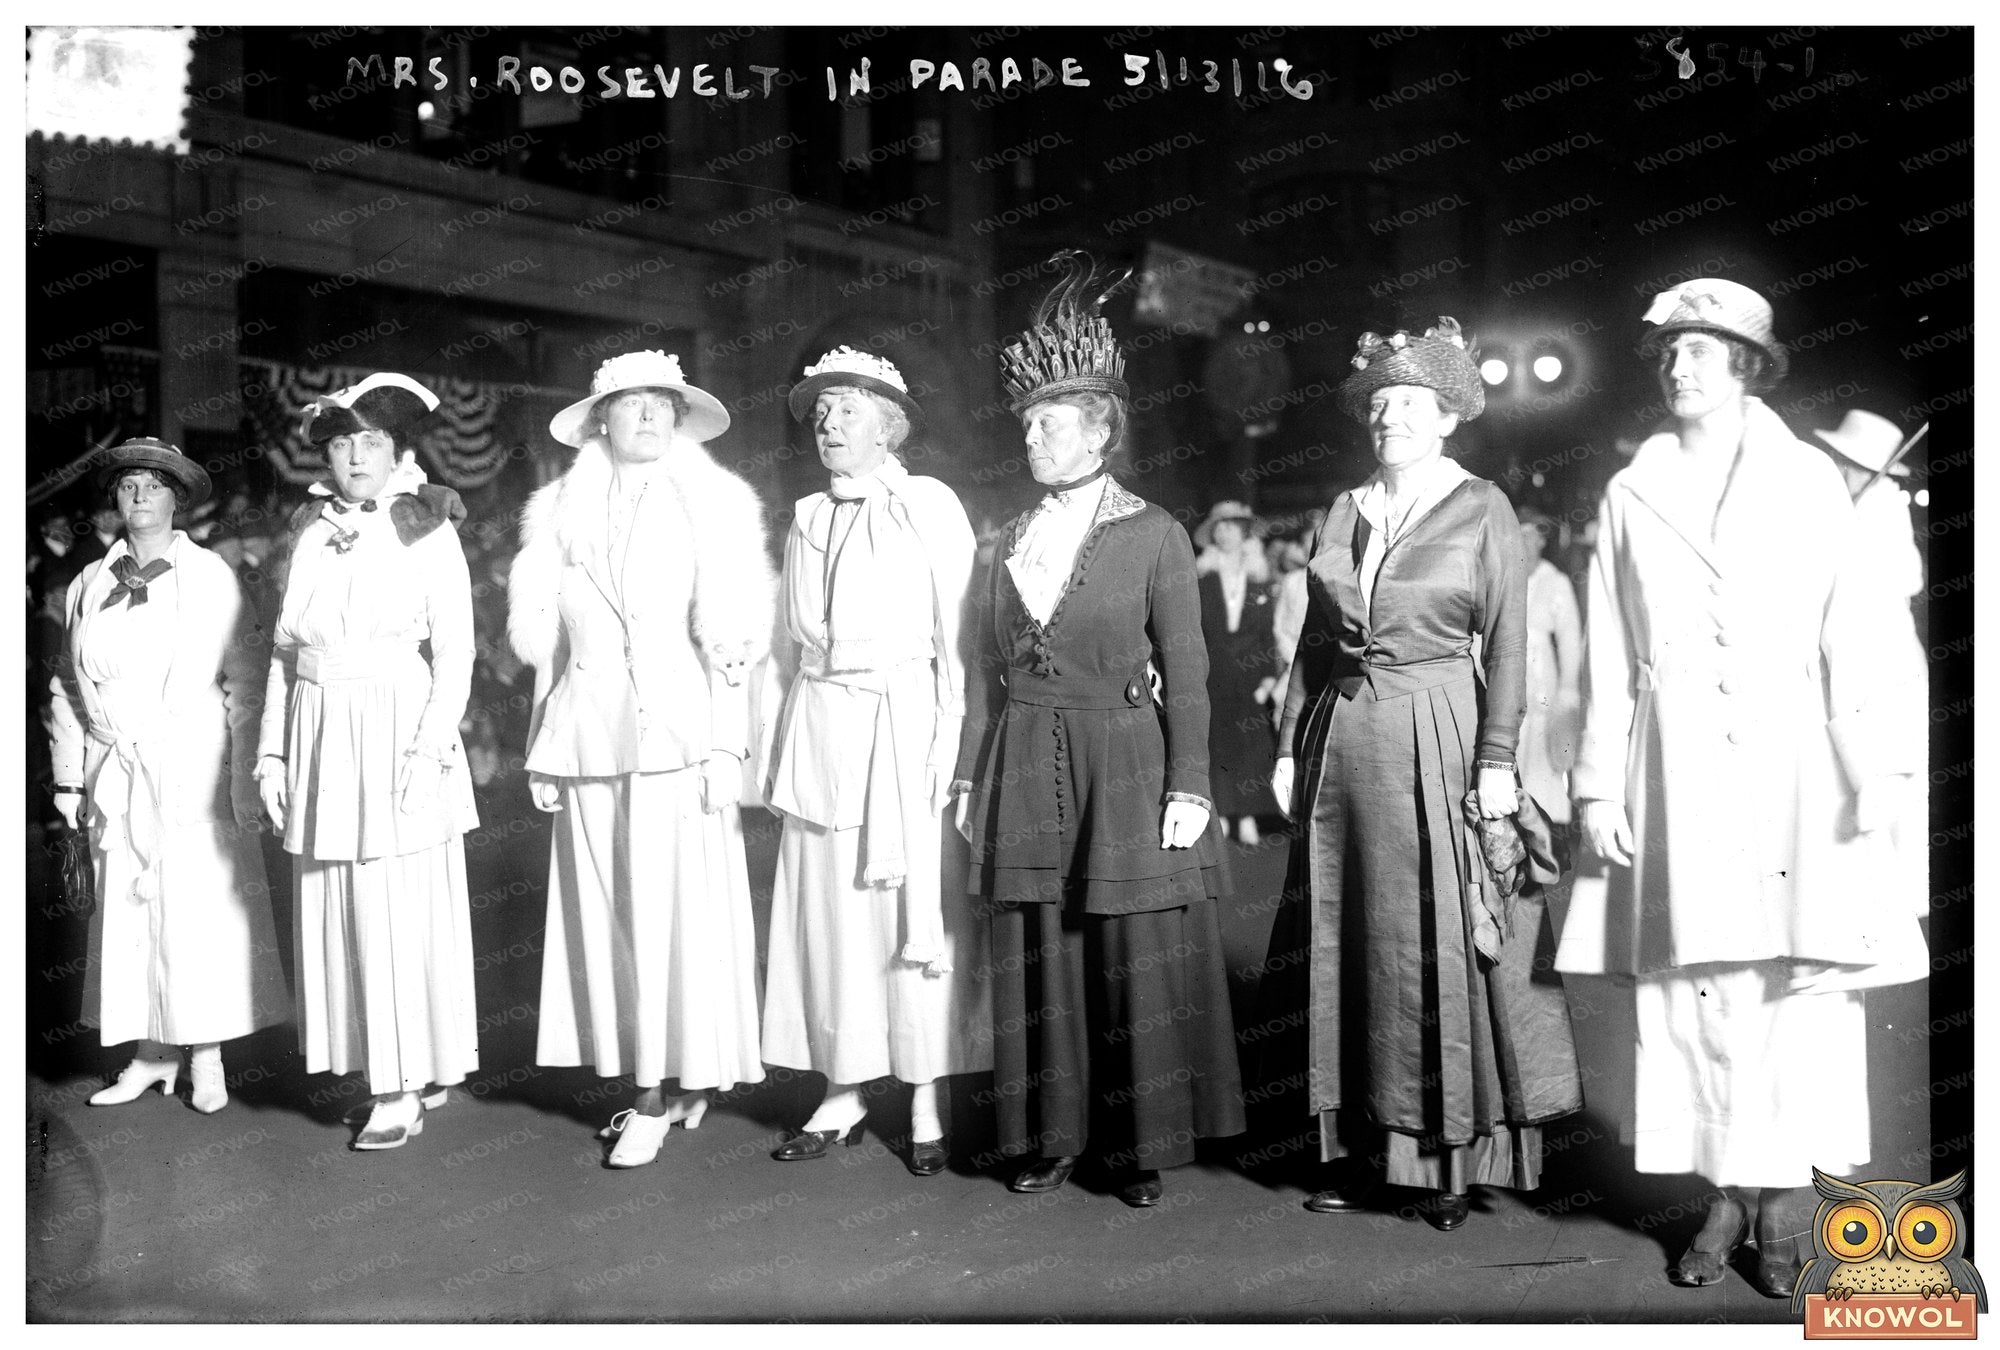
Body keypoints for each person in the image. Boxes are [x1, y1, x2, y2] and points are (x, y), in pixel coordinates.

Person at [1556, 281, 1925, 1294]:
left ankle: (1780, 1205)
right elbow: (1607, 649)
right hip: (1671, 769)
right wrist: (1598, 787)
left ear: (1747, 368)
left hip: (1792, 766)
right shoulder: (1630, 492)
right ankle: (1721, 1192)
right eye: (1669, 352)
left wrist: (1871, 770)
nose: (1678, 369)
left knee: (1789, 993)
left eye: (1701, 352)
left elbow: (1853, 629)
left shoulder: (1806, 480)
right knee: (1693, 993)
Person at [1259, 318, 1582, 1231]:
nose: (1390, 416)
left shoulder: (1482, 506)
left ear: (1447, 417)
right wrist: (1286, 746)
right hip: (1343, 745)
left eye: (1410, 403)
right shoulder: (1344, 509)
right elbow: (1316, 643)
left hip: (1441, 732)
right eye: (1379, 402)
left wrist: (1497, 761)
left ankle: (1446, 1160)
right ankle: (1368, 1150)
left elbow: (1508, 644)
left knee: (1439, 940)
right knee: (1350, 940)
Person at [951, 252, 1245, 1208]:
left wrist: (1189, 782)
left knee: (1129, 953)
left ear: (1099, 433)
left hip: (1124, 759)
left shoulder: (1156, 533)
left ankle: (1137, 1145)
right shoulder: (1009, 537)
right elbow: (983, 671)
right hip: (1023, 759)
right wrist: (970, 778)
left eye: (1050, 422)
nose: (1032, 435)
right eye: (1027, 422)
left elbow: (1188, 670)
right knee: (1042, 947)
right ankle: (1051, 1136)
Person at [508, 350, 773, 1167]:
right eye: (631, 404)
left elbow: (733, 638)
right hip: (587, 734)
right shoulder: (558, 509)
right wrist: (542, 749)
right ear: (601, 420)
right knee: (611, 914)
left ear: (680, 417)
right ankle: (661, 1076)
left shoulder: (714, 503)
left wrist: (727, 745)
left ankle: (656, 1095)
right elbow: (549, 645)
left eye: (663, 403)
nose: (650, 416)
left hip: (679, 736)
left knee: (676, 913)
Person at [761, 346, 991, 1173]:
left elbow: (959, 638)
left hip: (903, 728)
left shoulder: (927, 505)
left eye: (848, 410)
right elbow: (786, 648)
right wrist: (777, 749)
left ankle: (926, 1095)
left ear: (890, 427)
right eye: (822, 413)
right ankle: (844, 1085)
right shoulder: (806, 518)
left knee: (906, 915)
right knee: (831, 910)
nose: (829, 425)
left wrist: (953, 746)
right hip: (821, 727)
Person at [258, 374, 481, 1151]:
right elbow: (284, 653)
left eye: (372, 443)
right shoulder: (308, 528)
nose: (356, 457)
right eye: (344, 444)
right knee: (339, 898)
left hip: (395, 720)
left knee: (395, 901)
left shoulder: (425, 526)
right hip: (320, 725)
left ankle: (400, 1085)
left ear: (397, 452)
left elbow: (456, 652)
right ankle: (384, 1063)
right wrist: (271, 754)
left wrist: (428, 748)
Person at [50, 437, 288, 1112]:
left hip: (191, 764)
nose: (141, 496)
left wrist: (243, 776)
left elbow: (247, 680)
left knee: (194, 910)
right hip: (116, 767)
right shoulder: (89, 583)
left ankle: (206, 1055)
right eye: (129, 485)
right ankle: (152, 1054)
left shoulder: (210, 576)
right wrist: (69, 779)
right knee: (130, 910)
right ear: (115, 499)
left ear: (177, 499)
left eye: (155, 485)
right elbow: (66, 685)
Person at [1812, 410, 1928, 917]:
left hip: (1884, 661)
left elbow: (1901, 579)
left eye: (1846, 462)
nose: (1838, 468)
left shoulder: (1880, 507)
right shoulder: (1849, 504)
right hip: (1868, 660)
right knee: (1864, 783)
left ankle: (1892, 910)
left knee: (1885, 782)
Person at [1193, 501, 1279, 845]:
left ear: (1244, 533)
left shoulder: (1258, 575)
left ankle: (1247, 817)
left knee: (1251, 746)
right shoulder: (1202, 576)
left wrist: (1269, 676)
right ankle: (1222, 816)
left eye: (1231, 526)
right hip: (1213, 673)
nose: (1224, 532)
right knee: (1217, 746)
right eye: (1219, 527)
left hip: (1250, 674)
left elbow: (1267, 632)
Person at [1515, 506, 1583, 826]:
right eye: (1520, 534)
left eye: (1533, 535)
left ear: (1542, 541)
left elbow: (1570, 637)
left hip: (1542, 676)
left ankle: (1543, 825)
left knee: (1542, 751)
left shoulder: (1555, 581)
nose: (1526, 542)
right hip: (1509, 671)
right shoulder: (1504, 575)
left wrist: (1568, 688)